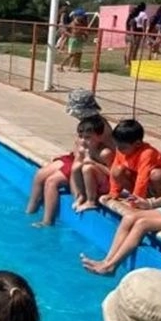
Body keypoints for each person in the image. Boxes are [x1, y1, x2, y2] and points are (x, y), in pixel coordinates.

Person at [83, 167, 161, 275]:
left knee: (142, 224)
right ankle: (107, 260)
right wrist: (151, 203)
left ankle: (112, 266)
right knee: (129, 218)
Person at [26, 89, 110, 227]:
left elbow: (101, 155)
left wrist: (77, 192)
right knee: (40, 174)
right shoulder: (86, 121)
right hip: (77, 157)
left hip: (89, 162)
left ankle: (47, 221)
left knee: (51, 182)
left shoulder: (100, 127)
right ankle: (30, 210)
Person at [103, 119, 161, 204]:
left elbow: (142, 178)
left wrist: (136, 201)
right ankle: (137, 198)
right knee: (117, 171)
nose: (119, 149)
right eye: (117, 146)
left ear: (138, 144)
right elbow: (114, 170)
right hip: (147, 187)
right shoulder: (121, 149)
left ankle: (160, 202)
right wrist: (113, 192)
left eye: (123, 147)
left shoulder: (147, 153)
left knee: (157, 175)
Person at [69, 114, 115, 213]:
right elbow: (74, 169)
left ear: (99, 137)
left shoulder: (105, 153)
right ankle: (82, 196)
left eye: (88, 137)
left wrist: (94, 163)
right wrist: (76, 193)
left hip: (108, 185)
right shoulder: (83, 150)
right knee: (77, 166)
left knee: (87, 168)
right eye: (81, 137)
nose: (83, 141)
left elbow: (113, 174)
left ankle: (91, 201)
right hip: (94, 182)